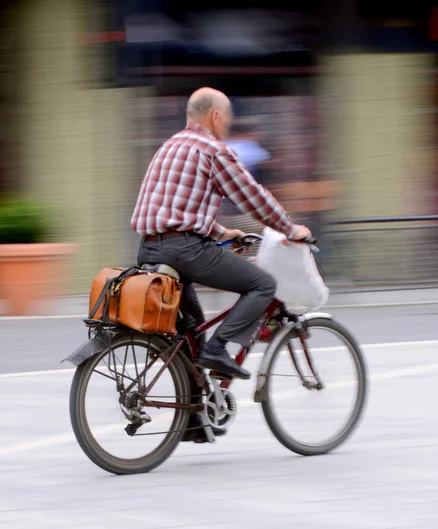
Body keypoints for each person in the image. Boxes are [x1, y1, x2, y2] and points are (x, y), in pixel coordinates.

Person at [131, 87, 312, 380]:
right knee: (263, 285)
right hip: (185, 251)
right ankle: (218, 350)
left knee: (191, 330)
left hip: (149, 249)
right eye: (227, 116)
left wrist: (220, 232)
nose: (228, 123)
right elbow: (252, 197)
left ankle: (192, 420)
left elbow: (171, 207)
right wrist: (290, 229)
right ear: (215, 116)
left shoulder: (169, 145)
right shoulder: (212, 149)